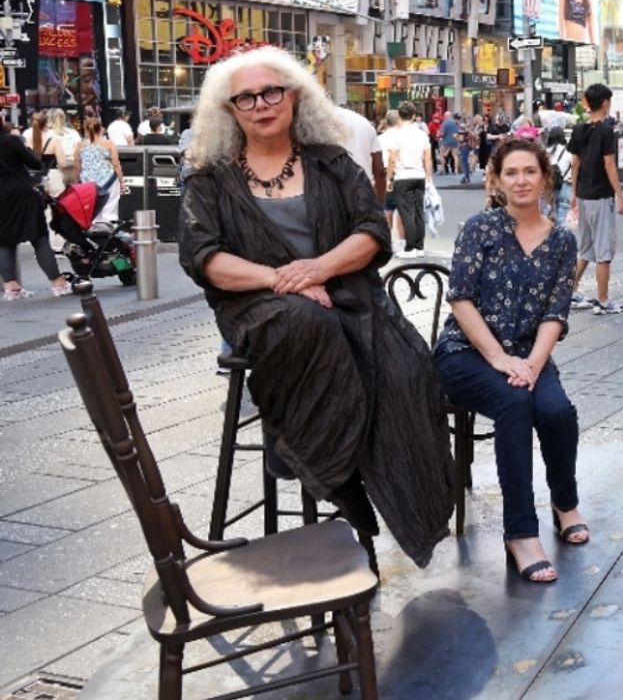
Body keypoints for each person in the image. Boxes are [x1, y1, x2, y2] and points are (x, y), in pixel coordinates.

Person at [176, 46, 452, 567]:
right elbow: (203, 257)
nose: (261, 104)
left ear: (294, 96)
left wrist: (319, 270)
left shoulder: (330, 162)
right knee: (308, 321)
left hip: (345, 293)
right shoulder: (209, 176)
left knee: (404, 369)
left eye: (271, 91)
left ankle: (308, 454)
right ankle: (343, 486)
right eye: (246, 97)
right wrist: (285, 281)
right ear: (230, 110)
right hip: (259, 306)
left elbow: (372, 232)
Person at [435, 137, 585, 583]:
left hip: (529, 354)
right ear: (498, 180)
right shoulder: (479, 229)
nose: (521, 181)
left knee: (557, 411)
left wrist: (533, 365)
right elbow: (460, 300)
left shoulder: (561, 240)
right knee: (515, 404)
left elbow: (556, 312)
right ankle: (520, 532)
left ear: (545, 178)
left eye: (530, 172)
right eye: (512, 173)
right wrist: (500, 358)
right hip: (466, 353)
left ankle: (565, 502)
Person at [566, 83, 623, 315]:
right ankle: (603, 299)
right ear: (605, 103)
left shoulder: (579, 129)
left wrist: (573, 193)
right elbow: (609, 164)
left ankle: (570, 291)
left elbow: (575, 163)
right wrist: (620, 195)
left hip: (583, 194)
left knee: (586, 248)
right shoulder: (605, 131)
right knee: (604, 251)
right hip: (601, 195)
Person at [0, 116, 71, 300]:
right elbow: (34, 163)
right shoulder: (11, 141)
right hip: (22, 194)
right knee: (39, 238)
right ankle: (58, 283)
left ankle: (11, 288)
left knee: (4, 242)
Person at [387, 101, 435, 257]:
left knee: (406, 213)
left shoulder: (397, 135)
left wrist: (389, 178)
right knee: (419, 212)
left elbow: (392, 159)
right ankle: (420, 247)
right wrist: (429, 177)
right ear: (414, 116)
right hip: (419, 175)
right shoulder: (422, 134)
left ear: (399, 116)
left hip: (403, 176)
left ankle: (410, 248)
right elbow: (428, 158)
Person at [75, 117, 127, 229]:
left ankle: (93, 229)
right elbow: (116, 163)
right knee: (110, 206)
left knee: (92, 206)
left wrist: (78, 180)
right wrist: (122, 181)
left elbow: (77, 165)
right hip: (108, 179)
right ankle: (109, 229)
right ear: (101, 129)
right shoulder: (108, 144)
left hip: (87, 181)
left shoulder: (80, 145)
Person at [375, 109, 405, 247]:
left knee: (387, 208)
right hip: (402, 173)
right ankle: (402, 241)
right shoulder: (404, 137)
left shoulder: (380, 138)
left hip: (386, 173)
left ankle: (387, 241)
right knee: (402, 209)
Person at [544, 126, 573, 224]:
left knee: (547, 217)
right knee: (562, 218)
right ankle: (562, 238)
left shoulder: (544, 152)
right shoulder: (568, 152)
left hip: (548, 187)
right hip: (565, 186)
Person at [45, 110, 82, 184]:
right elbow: (79, 149)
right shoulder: (73, 133)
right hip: (73, 168)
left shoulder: (46, 134)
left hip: (55, 170)